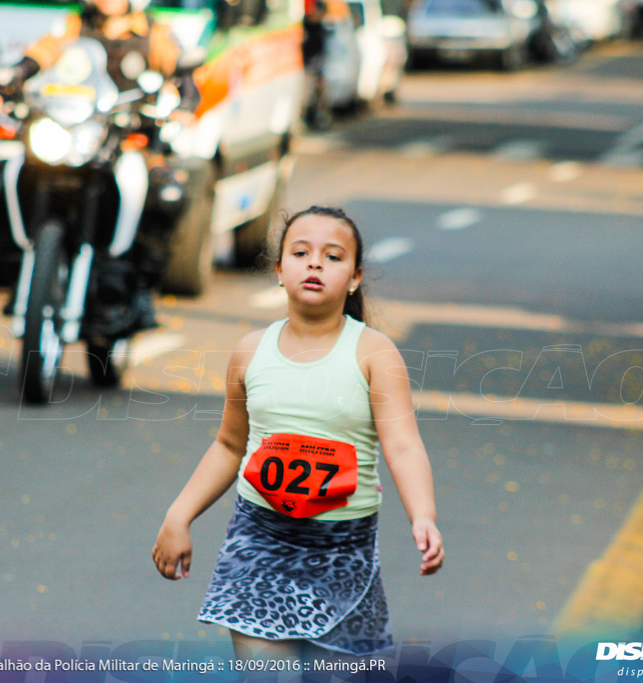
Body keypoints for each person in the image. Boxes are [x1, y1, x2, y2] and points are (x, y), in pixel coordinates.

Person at [151, 206, 444, 660]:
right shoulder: (251, 351)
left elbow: (403, 446)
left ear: (354, 278)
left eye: (332, 256)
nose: (314, 264)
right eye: (301, 252)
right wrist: (179, 515)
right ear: (279, 270)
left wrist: (422, 515)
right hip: (259, 539)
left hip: (342, 548)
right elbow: (230, 445)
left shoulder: (373, 353)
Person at [0, 0, 197, 334]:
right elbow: (41, 54)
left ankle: (138, 288)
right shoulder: (74, 26)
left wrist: (184, 104)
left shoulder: (153, 34)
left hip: (129, 140)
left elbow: (184, 76)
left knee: (167, 196)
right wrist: (11, 79)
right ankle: (17, 270)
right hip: (74, 135)